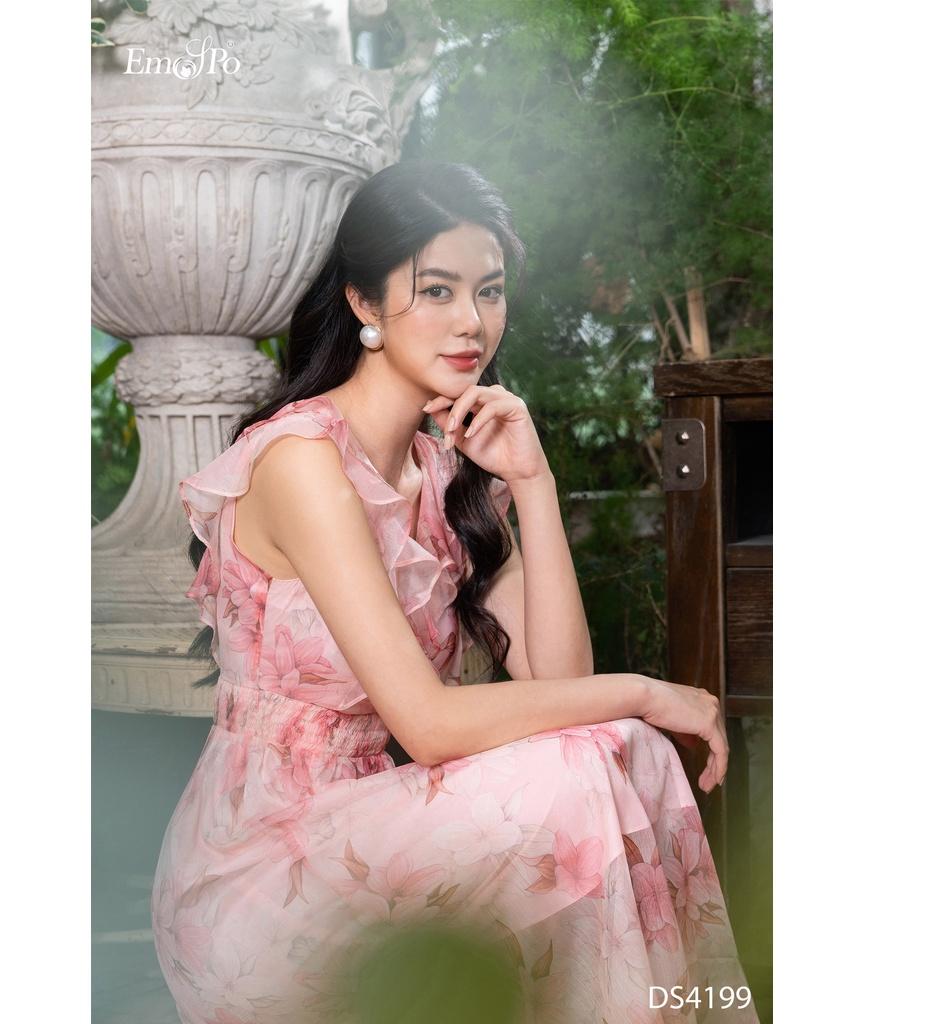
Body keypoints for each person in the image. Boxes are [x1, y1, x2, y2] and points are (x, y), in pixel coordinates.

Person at [151, 161, 758, 1023]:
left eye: (490, 291)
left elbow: (558, 682)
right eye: (436, 289)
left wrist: (534, 481)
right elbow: (430, 728)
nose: (472, 321)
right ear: (363, 302)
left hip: (376, 830)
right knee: (603, 751)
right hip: (261, 872)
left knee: (625, 748)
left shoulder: (446, 474)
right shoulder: (301, 462)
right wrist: (650, 690)